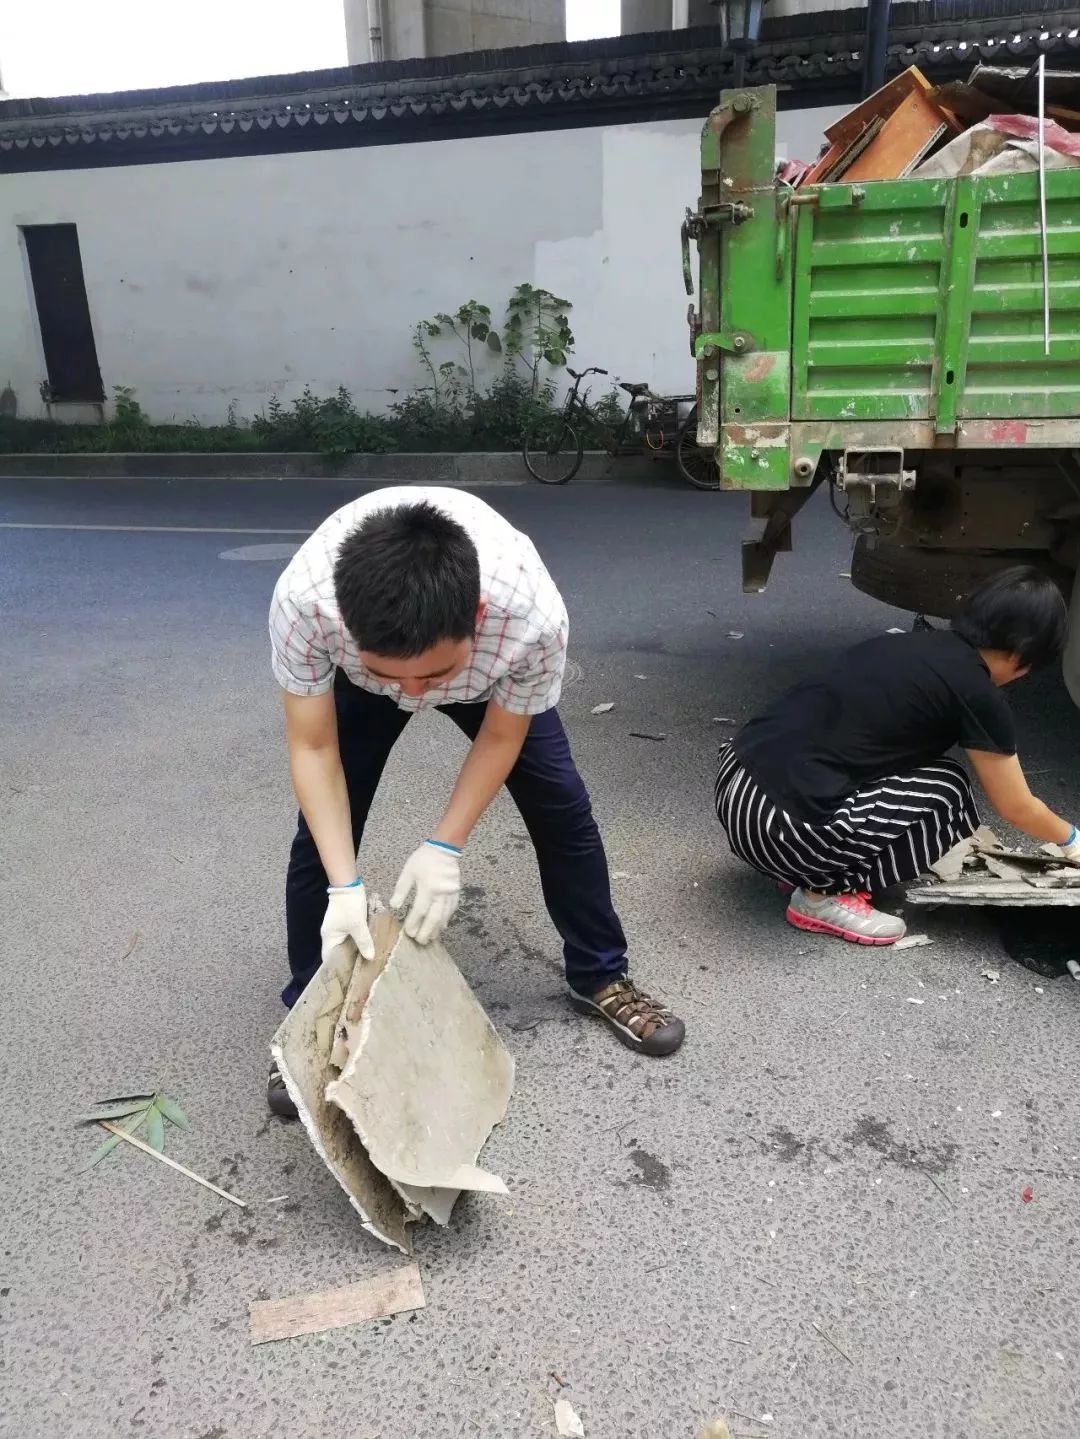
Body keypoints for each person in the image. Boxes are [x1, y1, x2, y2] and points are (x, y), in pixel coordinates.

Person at [266, 488, 684, 1113]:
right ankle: (312, 1013)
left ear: (480, 614)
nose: (412, 693)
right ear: (346, 626)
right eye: (394, 676)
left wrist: (444, 845)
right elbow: (314, 750)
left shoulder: (530, 617)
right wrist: (344, 886)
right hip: (364, 682)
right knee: (322, 836)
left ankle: (600, 974)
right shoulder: (305, 605)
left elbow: (502, 734)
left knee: (562, 808)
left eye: (430, 678)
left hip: (488, 681)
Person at [714, 566, 1080, 945]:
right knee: (947, 788)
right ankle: (820, 896)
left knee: (893, 765)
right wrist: (1072, 840)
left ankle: (801, 868)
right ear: (1024, 654)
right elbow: (1015, 806)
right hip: (782, 828)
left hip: (736, 790)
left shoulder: (906, 645)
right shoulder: (977, 691)